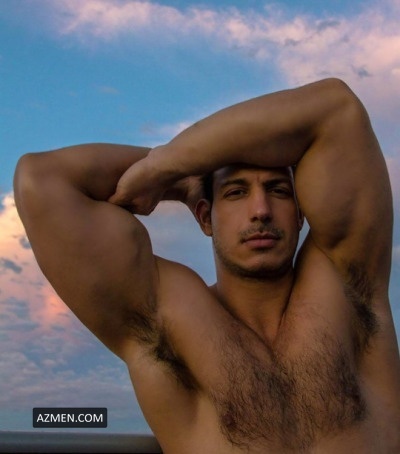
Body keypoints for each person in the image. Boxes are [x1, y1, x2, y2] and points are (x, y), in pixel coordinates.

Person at [14, 78, 400, 453]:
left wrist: (163, 167)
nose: (261, 210)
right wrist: (184, 182)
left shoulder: (347, 293)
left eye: (278, 190)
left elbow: (337, 108)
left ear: (301, 215)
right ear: (204, 217)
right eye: (236, 192)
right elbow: (42, 180)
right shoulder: (170, 322)